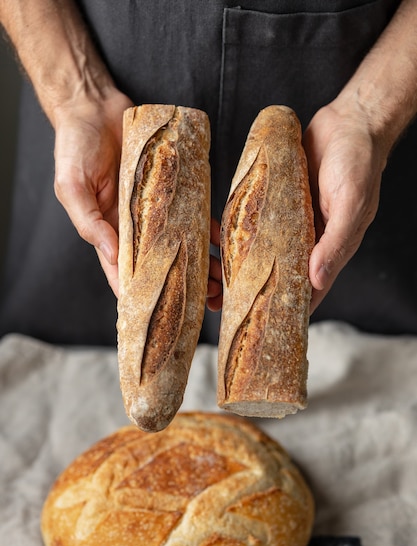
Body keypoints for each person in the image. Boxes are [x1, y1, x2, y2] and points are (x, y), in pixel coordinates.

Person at [0, 0, 416, 346]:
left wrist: (369, 114)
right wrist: (77, 95)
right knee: (61, 362)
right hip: (94, 102)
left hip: (360, 88)